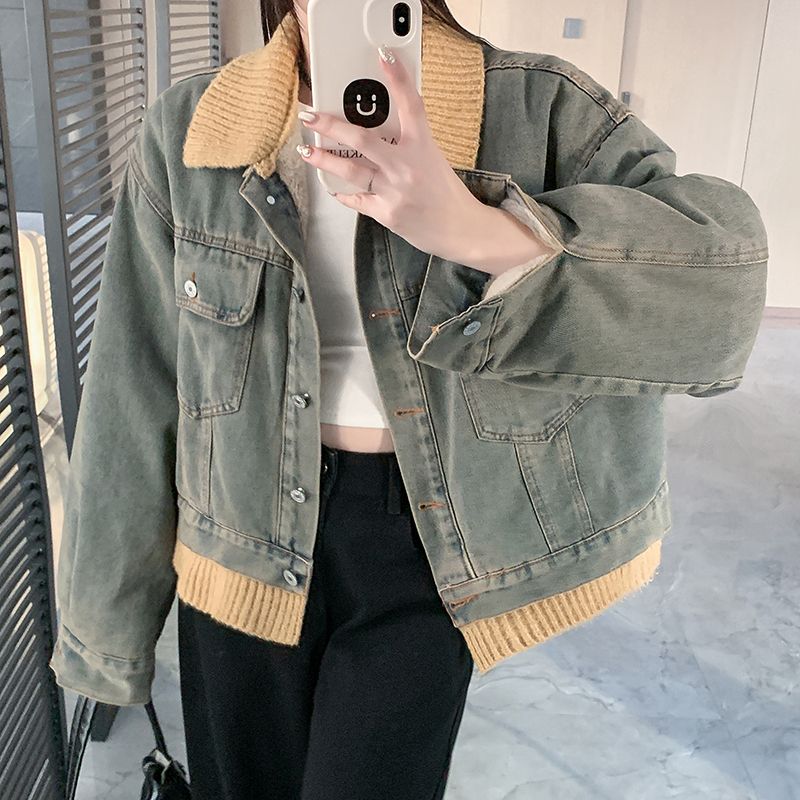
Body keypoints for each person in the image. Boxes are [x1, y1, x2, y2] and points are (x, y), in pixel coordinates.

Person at [48, 0, 769, 798]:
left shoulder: (536, 109)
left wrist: (475, 229)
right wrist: (103, 630)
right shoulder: (197, 129)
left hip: (419, 548)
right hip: (239, 539)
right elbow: (136, 381)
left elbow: (724, 290)